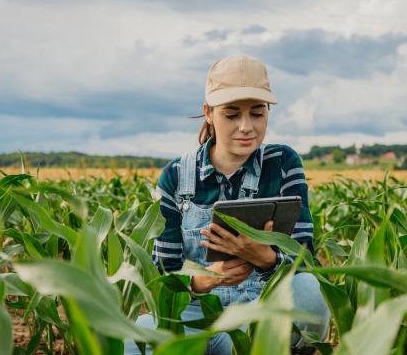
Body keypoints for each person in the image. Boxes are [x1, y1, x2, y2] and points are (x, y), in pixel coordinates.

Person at [124, 55, 330, 355]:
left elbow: (304, 258)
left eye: (257, 114)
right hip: (195, 319)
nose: (246, 127)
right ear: (208, 113)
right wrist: (200, 280)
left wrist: (266, 259)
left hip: (259, 316)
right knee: (132, 341)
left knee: (310, 292)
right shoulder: (177, 175)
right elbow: (161, 275)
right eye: (231, 115)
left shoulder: (283, 163)